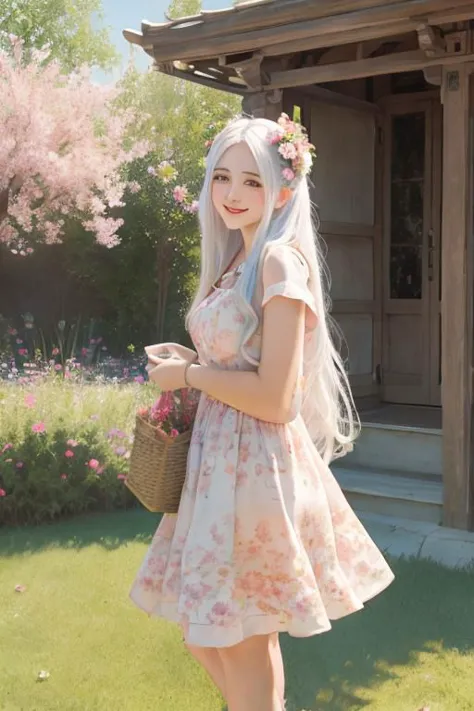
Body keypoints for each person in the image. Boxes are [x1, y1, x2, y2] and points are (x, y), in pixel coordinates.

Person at [130, 113, 395, 711]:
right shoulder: (236, 263)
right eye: (222, 177)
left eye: (251, 181)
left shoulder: (278, 262)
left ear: (284, 187)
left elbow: (276, 398)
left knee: (240, 634)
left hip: (255, 471)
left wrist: (192, 375)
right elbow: (243, 360)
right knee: (214, 634)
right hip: (221, 465)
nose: (232, 194)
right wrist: (193, 359)